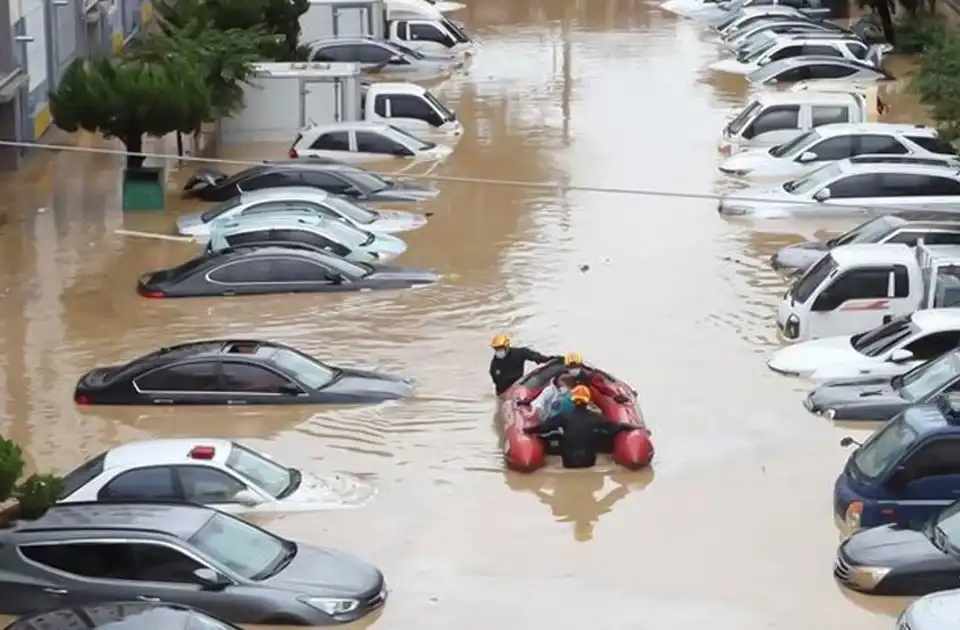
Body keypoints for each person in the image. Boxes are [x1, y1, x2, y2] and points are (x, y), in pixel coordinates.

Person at [524, 386, 640, 468]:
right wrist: (632, 426)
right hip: (588, 462)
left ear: (573, 401)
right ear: (588, 401)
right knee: (598, 435)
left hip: (569, 463)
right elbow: (614, 427)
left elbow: (544, 428)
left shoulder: (563, 417)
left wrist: (528, 430)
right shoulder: (595, 417)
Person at [489, 334, 554, 395]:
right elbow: (496, 381)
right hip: (504, 392)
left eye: (501, 348)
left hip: (520, 384)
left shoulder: (518, 353)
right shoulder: (495, 364)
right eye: (496, 349)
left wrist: (549, 359)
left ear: (507, 346)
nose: (499, 350)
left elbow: (535, 356)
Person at [562, 352, 630, 404]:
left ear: (580, 365)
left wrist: (615, 395)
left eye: (575, 366)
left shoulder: (589, 377)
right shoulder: (565, 378)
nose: (573, 369)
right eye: (571, 366)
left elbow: (603, 388)